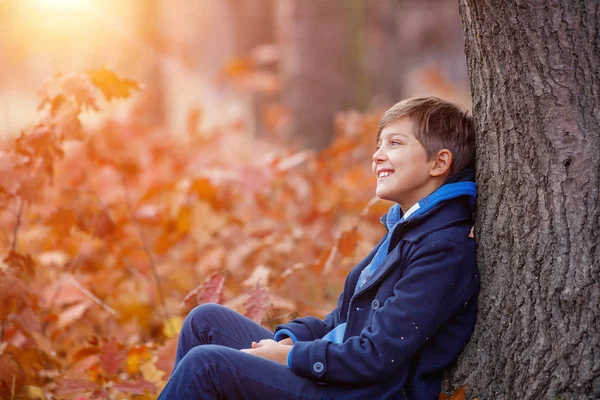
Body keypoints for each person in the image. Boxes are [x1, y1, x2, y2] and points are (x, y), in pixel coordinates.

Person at [158, 97, 479, 400]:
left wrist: (292, 356)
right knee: (206, 321)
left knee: (208, 365)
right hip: (342, 378)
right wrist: (291, 340)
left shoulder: (443, 247)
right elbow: (342, 320)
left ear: (439, 163)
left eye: (394, 143)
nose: (377, 155)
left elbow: (378, 355)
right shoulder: (408, 227)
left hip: (367, 392)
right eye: (378, 144)